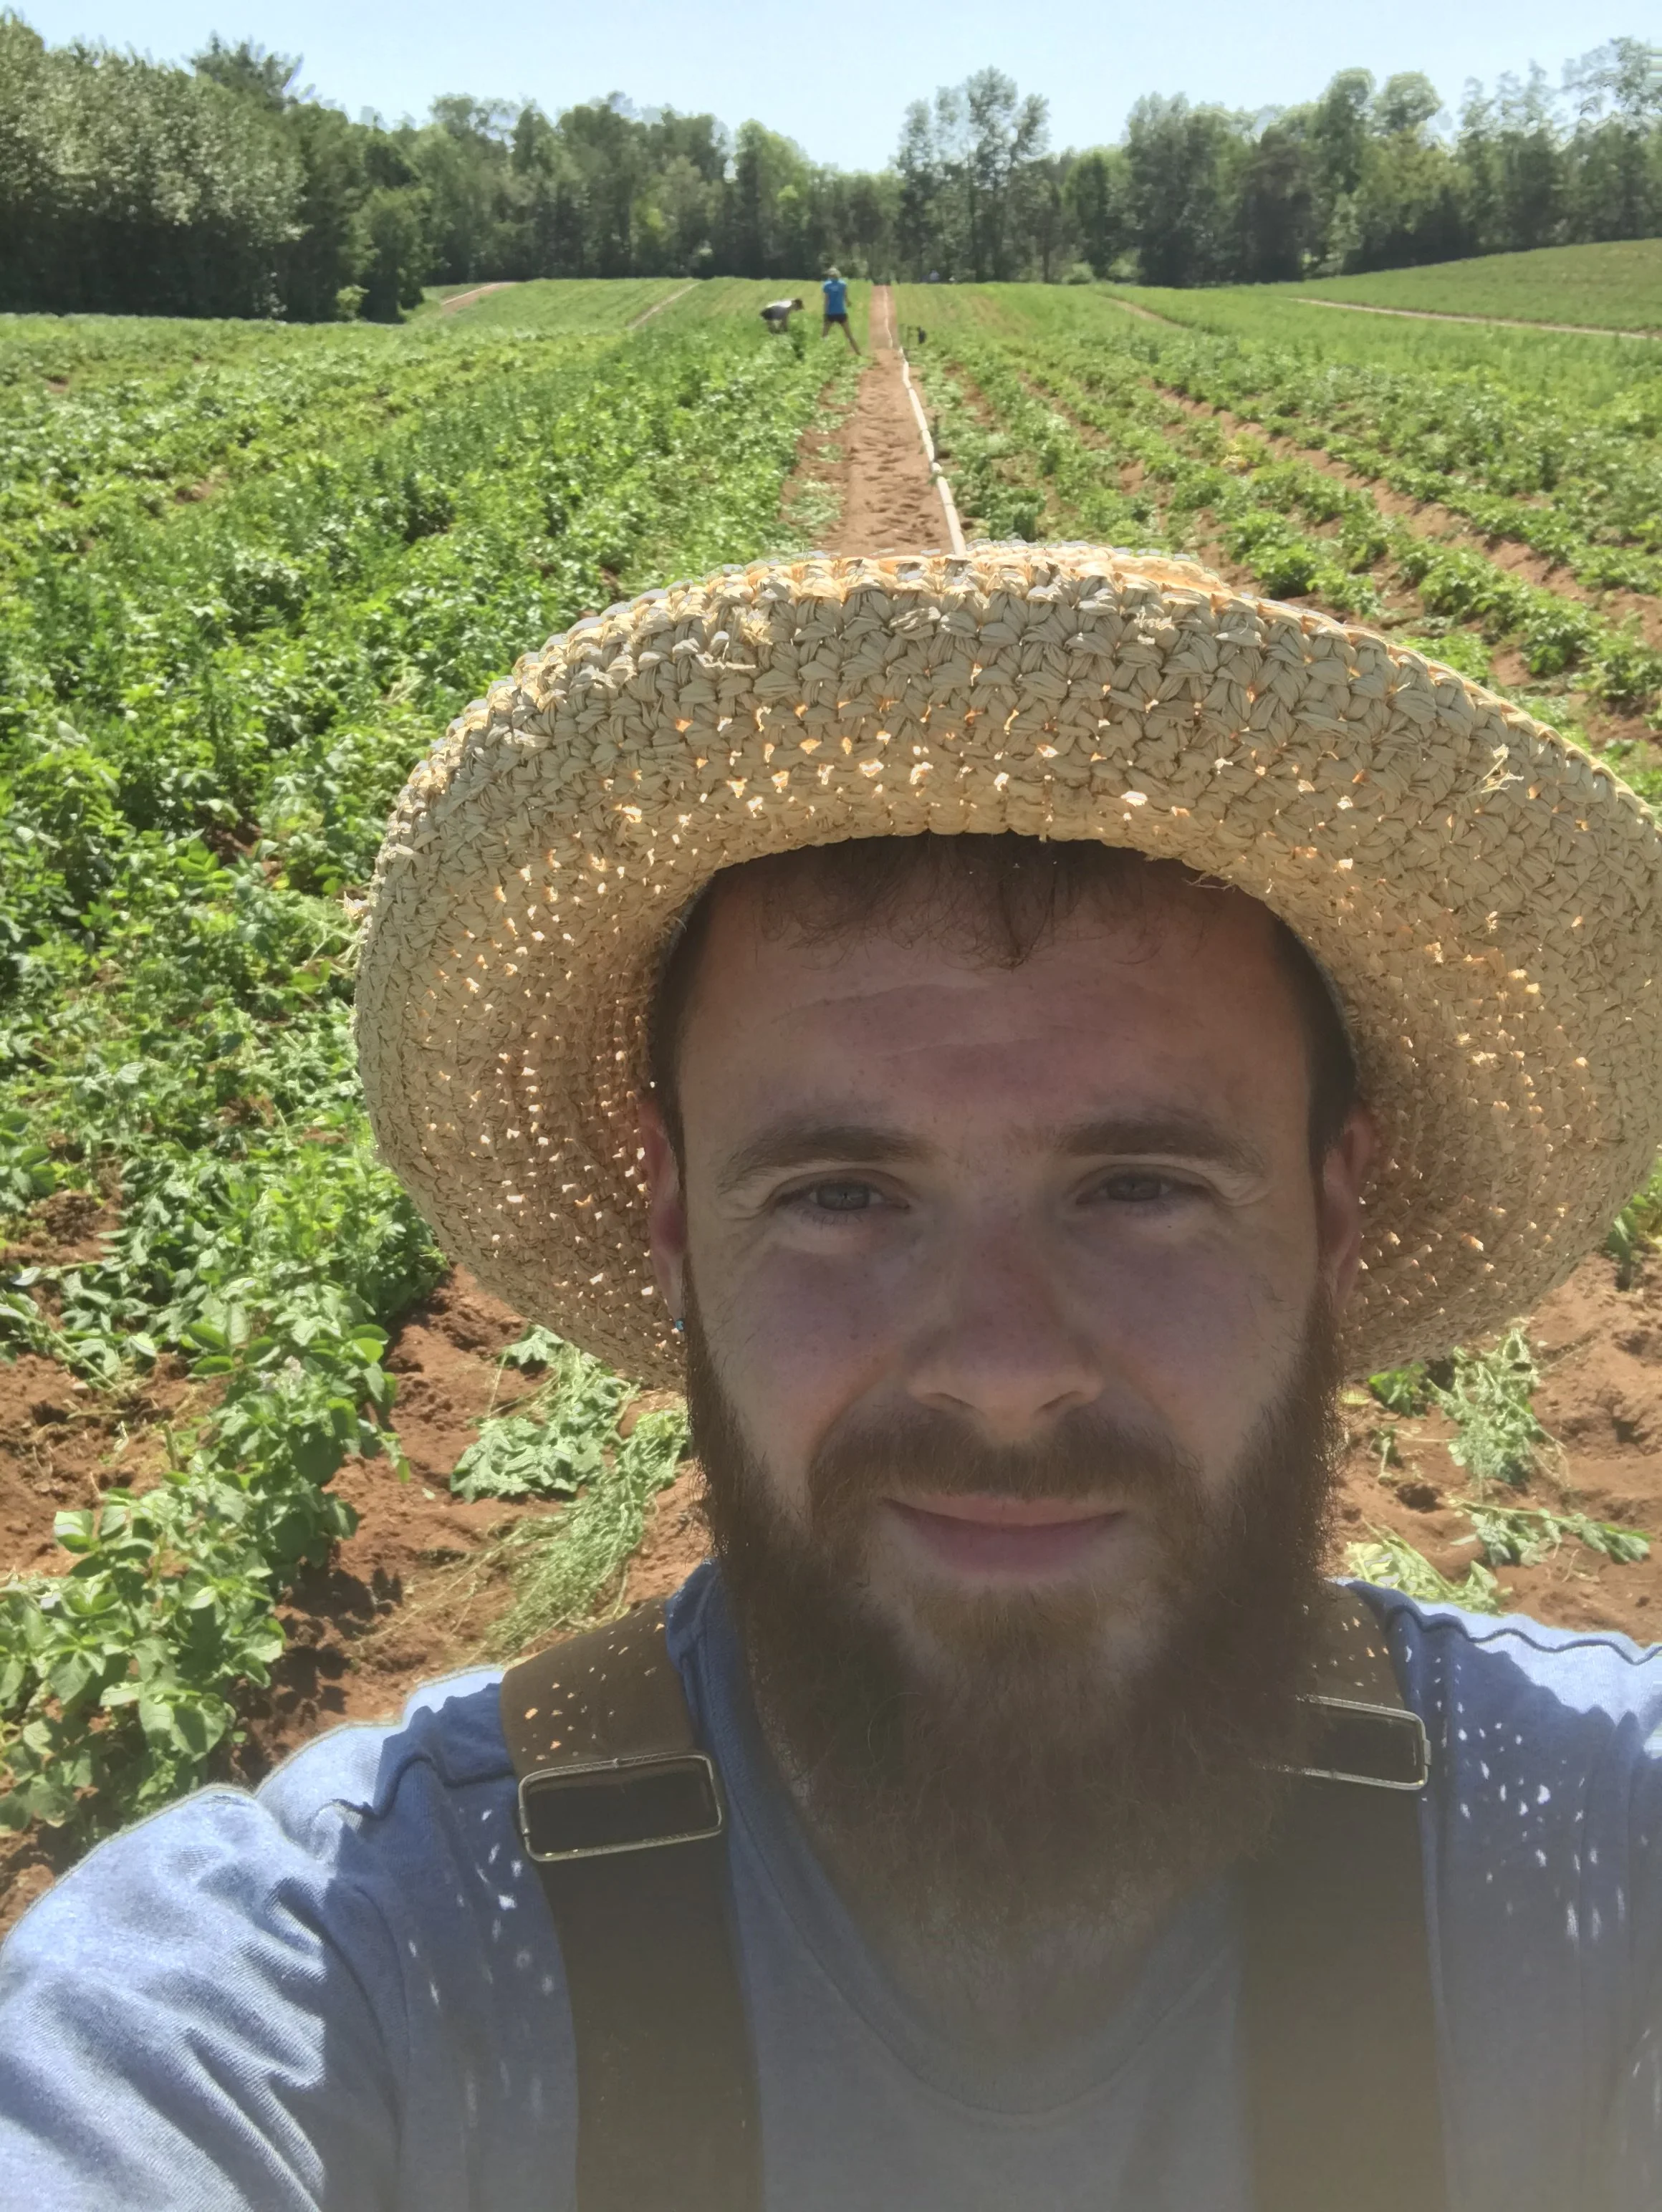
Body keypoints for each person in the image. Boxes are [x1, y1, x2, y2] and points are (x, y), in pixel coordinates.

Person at [4, 544, 1662, 2211]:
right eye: (841, 1197)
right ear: (672, 1219)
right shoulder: (335, 1982)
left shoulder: (1609, 1862)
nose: (1005, 1368)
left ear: (1333, 1205)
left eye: (1141, 1188)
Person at [821, 266, 858, 351]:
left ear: (830, 276)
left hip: (830, 313)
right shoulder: (843, 285)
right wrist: (849, 303)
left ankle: (823, 353)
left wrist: (825, 313)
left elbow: (826, 301)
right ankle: (859, 353)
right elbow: (846, 299)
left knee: (824, 336)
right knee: (849, 336)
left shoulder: (827, 285)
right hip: (841, 313)